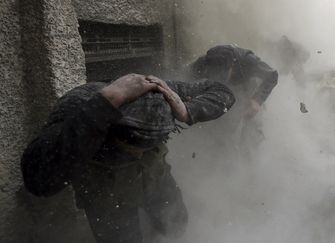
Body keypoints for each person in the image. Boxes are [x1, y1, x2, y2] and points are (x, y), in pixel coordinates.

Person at [21, 74, 235, 243]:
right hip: (104, 191)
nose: (141, 152)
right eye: (136, 146)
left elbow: (222, 91)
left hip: (155, 176)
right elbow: (38, 180)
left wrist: (188, 110)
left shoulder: (157, 89)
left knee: (176, 224)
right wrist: (106, 103)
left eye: (152, 144)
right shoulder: (77, 107)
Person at [188, 44, 278, 163]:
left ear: (232, 65)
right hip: (224, 92)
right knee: (224, 129)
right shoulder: (202, 63)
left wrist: (257, 100)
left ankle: (251, 164)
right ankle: (223, 161)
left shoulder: (249, 61)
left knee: (251, 129)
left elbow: (272, 75)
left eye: (223, 73)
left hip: (249, 91)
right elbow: (187, 77)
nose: (220, 75)